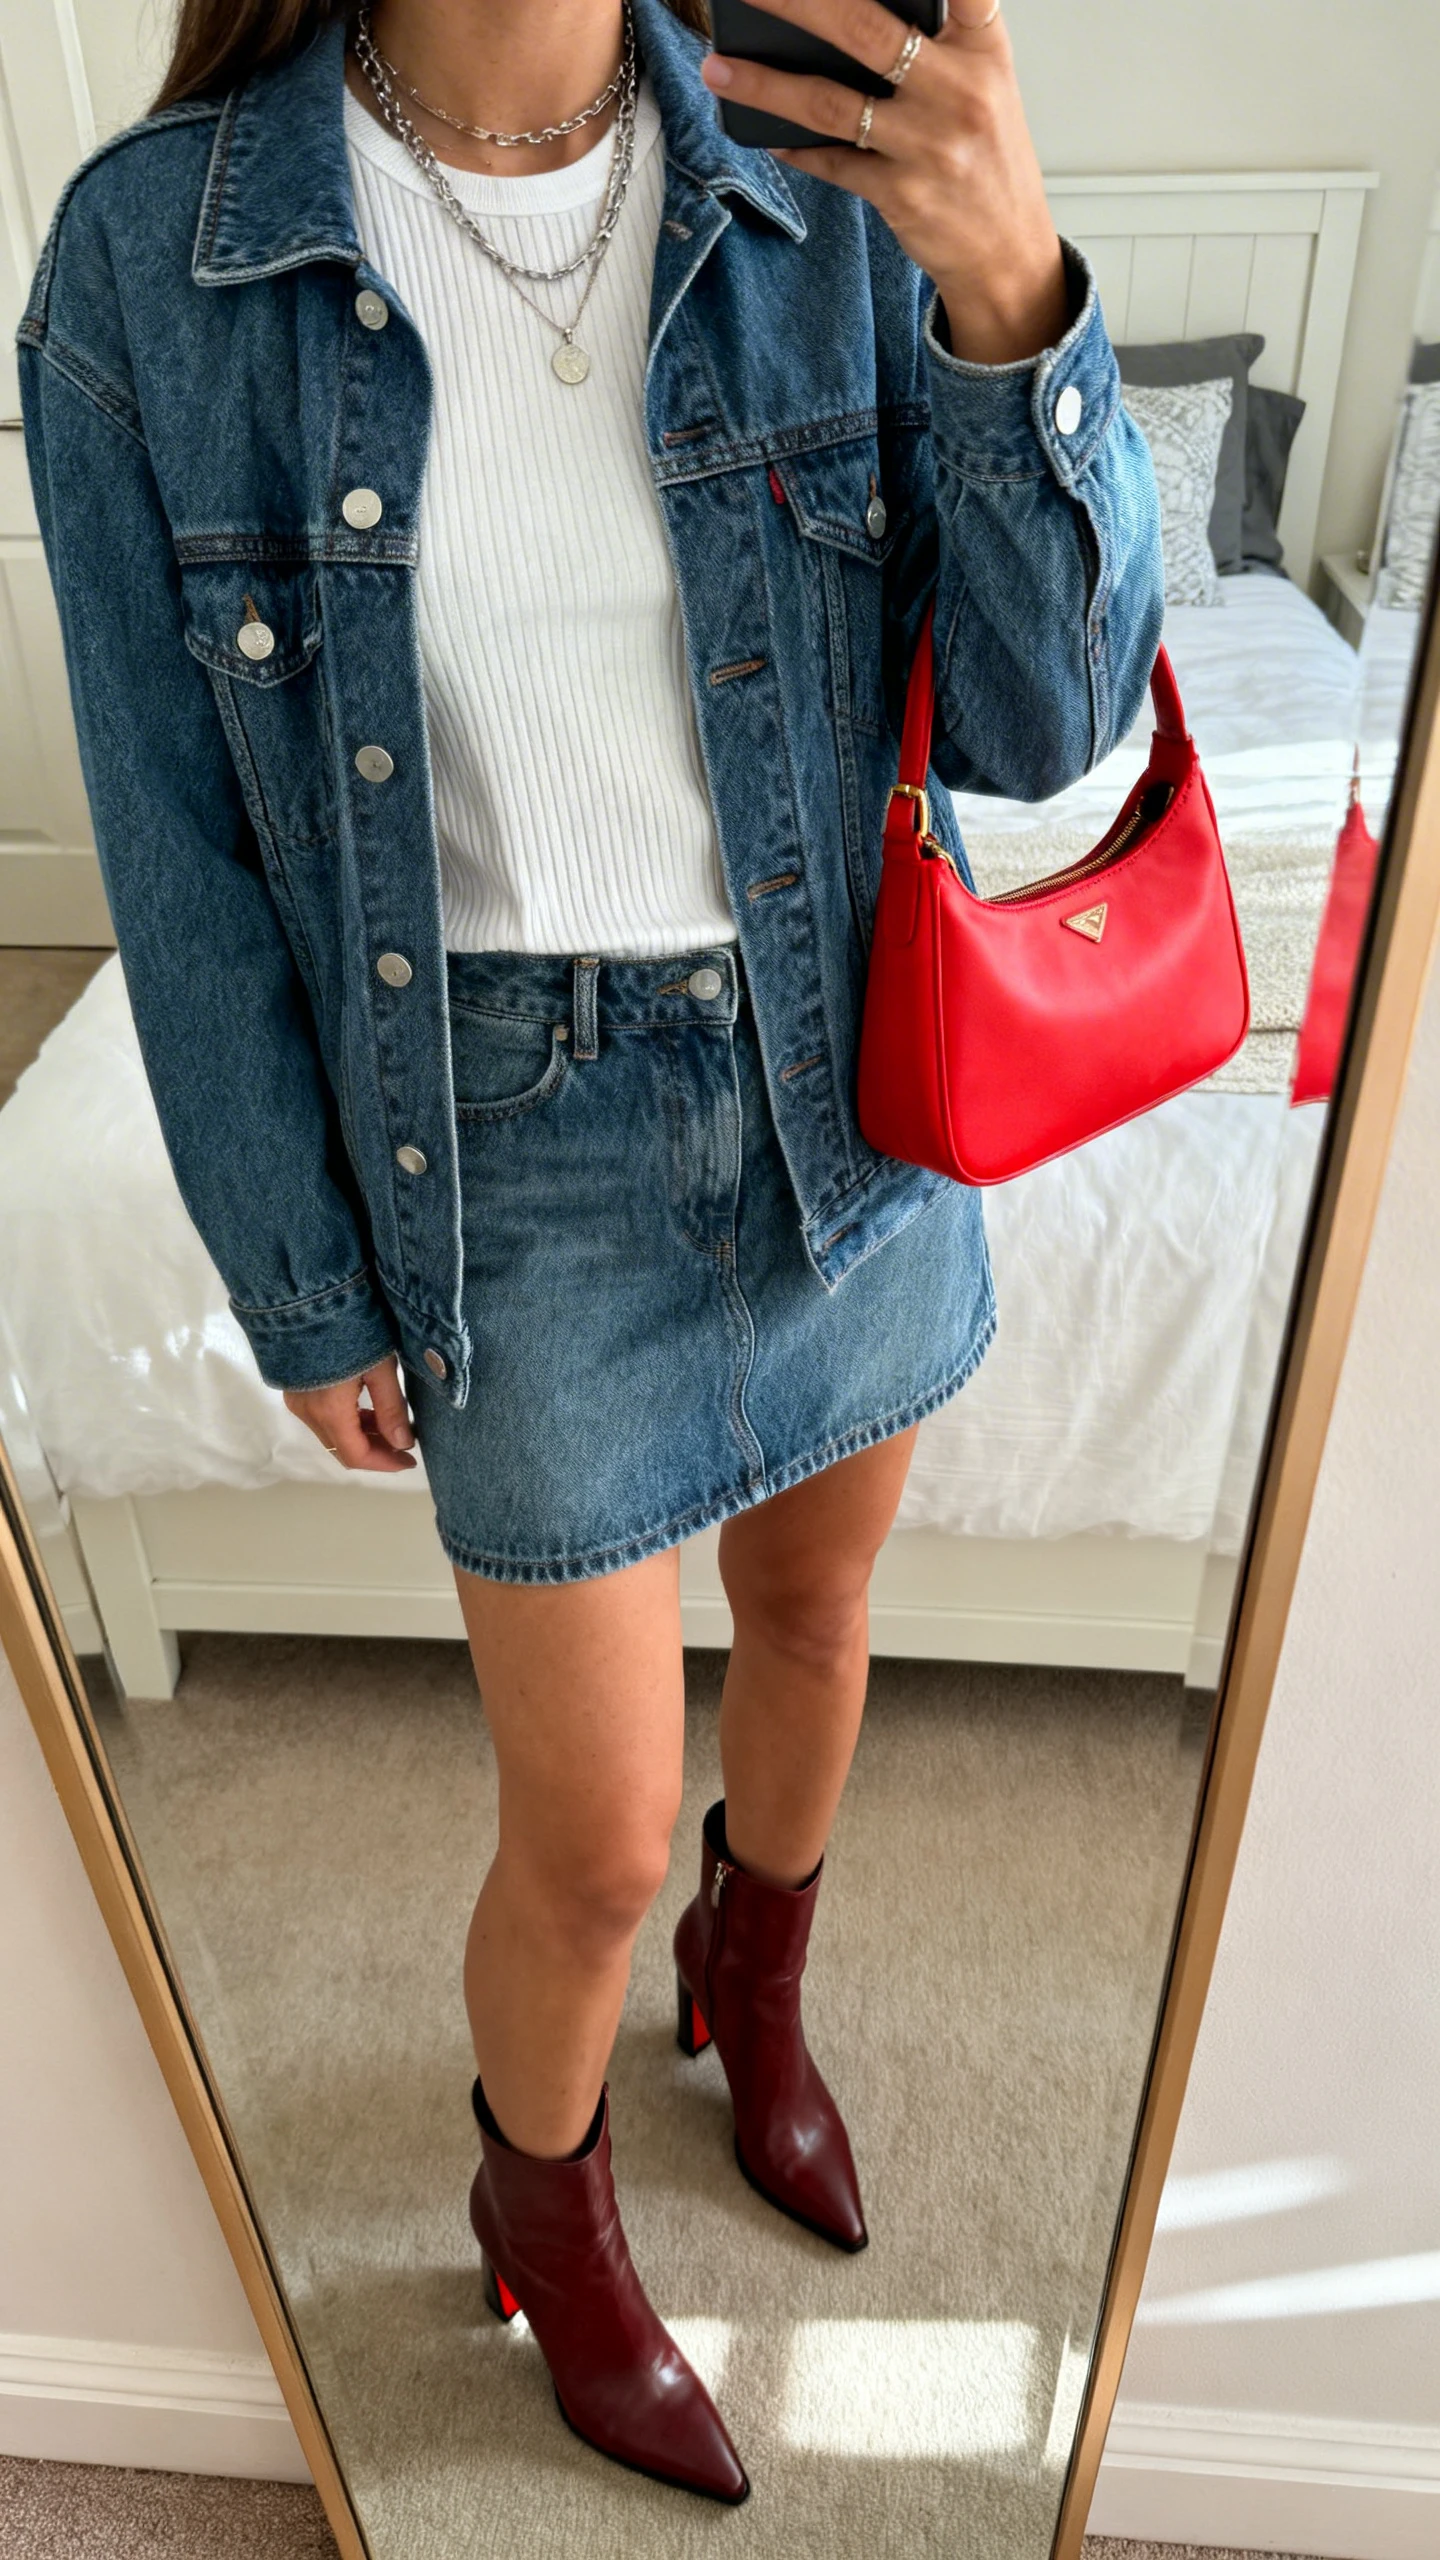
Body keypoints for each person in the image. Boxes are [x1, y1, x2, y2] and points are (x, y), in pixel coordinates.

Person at [20, 0, 1162, 2503]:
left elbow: (1051, 715)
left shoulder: (820, 155)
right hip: (499, 1142)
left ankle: (757, 1996)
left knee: (829, 1618)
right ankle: (539, 2195)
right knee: (596, 1829)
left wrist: (1015, 299)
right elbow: (182, 849)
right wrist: (299, 1266)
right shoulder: (145, 265)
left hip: (835, 1087)